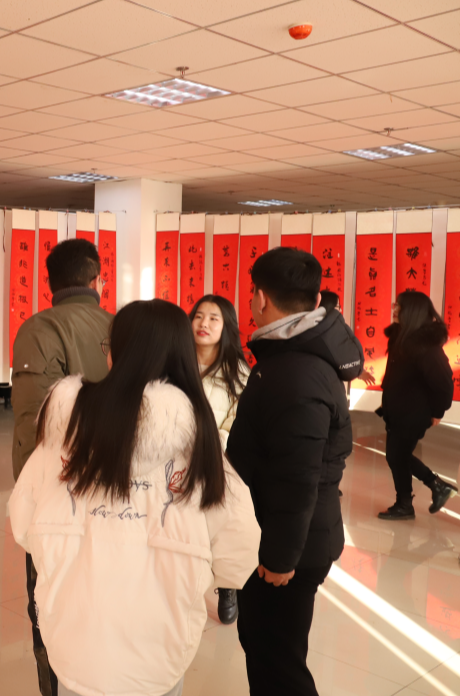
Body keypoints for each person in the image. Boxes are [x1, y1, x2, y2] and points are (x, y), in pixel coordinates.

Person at [9, 299, 260, 696]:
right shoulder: (199, 436)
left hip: (76, 635)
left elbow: (22, 520)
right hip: (161, 639)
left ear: (117, 352)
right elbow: (239, 548)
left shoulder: (65, 423)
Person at [226, 247, 364, 696]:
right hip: (289, 533)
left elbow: (298, 476)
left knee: (278, 664)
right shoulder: (295, 357)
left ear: (260, 298)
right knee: (268, 648)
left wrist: (280, 557)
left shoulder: (294, 373)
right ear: (316, 297)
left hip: (291, 546)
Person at [10, 238, 113, 696]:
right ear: (98, 281)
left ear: (49, 283)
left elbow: (34, 427)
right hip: (118, 492)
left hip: (57, 497)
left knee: (48, 603)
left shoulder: (40, 328)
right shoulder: (121, 326)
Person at [189, 295, 250, 626]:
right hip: (176, 458)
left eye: (214, 318)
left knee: (222, 525)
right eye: (199, 316)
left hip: (220, 459)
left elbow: (236, 419)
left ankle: (227, 586)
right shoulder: (177, 362)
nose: (204, 324)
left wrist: (217, 448)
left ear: (226, 327)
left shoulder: (237, 372)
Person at [370, 290, 456, 520]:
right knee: (398, 455)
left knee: (397, 456)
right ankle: (435, 487)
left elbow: (444, 384)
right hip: (399, 409)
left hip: (413, 413)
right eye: (395, 305)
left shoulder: (425, 347)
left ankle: (406, 503)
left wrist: (438, 411)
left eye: (399, 306)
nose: (394, 310)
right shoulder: (402, 336)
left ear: (413, 312)